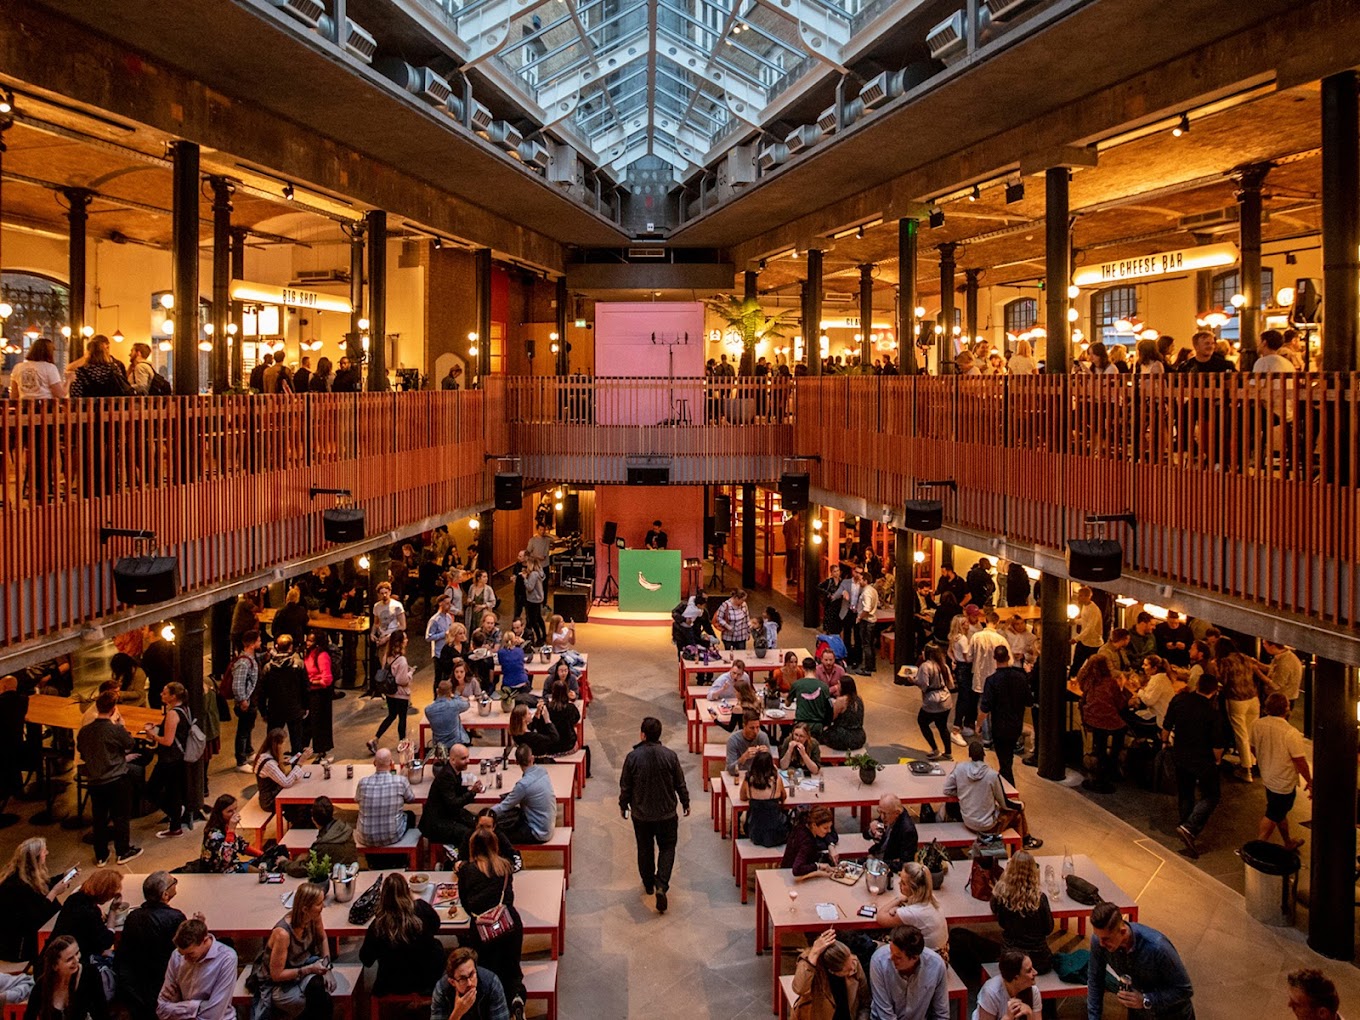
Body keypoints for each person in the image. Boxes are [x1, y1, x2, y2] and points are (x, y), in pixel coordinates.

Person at [618, 716, 690, 914]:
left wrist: (623, 805)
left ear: (642, 735)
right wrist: (685, 801)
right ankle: (662, 884)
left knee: (644, 847)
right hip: (666, 813)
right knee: (667, 847)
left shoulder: (632, 757)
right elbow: (680, 782)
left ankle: (648, 883)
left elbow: (625, 786)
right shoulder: (670, 756)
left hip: (641, 814)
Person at [457, 819, 525, 1011]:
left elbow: (465, 903)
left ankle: (493, 1007)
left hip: (482, 928)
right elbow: (509, 898)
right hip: (509, 921)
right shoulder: (505, 867)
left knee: (487, 969)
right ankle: (516, 997)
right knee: (512, 967)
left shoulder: (466, 871)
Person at [1087, 902, 1193, 1020]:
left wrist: (1146, 1000)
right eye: (1097, 936)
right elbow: (1095, 979)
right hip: (1139, 1014)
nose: (1101, 944)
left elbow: (1185, 990)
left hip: (1173, 1015)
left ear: (1123, 931)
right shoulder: (1099, 942)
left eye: (1106, 939)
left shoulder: (1158, 947)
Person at [1161, 673, 1226, 859]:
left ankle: (1184, 823)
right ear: (1214, 691)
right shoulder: (1213, 712)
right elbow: (1217, 744)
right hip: (1202, 759)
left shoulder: (1180, 700)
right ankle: (1190, 827)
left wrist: (1164, 742)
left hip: (1180, 754)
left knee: (1185, 791)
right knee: (1212, 795)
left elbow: (1167, 725)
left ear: (1197, 685)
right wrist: (1218, 760)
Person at [77, 689, 142, 866]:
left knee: (99, 819)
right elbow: (129, 744)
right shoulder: (115, 730)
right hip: (116, 778)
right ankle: (122, 851)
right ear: (113, 710)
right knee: (121, 816)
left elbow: (82, 751)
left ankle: (101, 855)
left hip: (95, 780)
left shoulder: (84, 732)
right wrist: (122, 726)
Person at [255, 883, 333, 1020]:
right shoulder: (282, 934)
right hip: (279, 983)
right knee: (313, 1001)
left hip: (302, 965)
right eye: (319, 904)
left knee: (321, 990)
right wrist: (309, 969)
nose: (323, 906)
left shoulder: (314, 916)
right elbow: (276, 975)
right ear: (305, 909)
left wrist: (328, 968)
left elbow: (322, 939)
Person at [943, 741, 1042, 849]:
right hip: (987, 827)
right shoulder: (992, 775)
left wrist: (963, 792)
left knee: (1015, 813)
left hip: (968, 822)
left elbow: (947, 790)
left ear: (970, 755)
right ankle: (1024, 842)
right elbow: (1004, 804)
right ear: (984, 755)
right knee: (1017, 813)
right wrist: (1021, 805)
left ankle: (1025, 841)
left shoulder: (959, 768)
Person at [358, 874, 444, 996]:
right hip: (425, 980)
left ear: (383, 896)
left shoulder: (378, 925)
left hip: (392, 983)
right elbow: (436, 926)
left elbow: (366, 960)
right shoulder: (422, 908)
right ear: (407, 891)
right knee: (437, 945)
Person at [116, 873, 186, 1020]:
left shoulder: (133, 916)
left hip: (134, 985)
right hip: (163, 983)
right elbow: (185, 949)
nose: (175, 883)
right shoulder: (175, 917)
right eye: (173, 882)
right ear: (165, 894)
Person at [1251, 692, 1312, 849]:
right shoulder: (1290, 733)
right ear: (1286, 709)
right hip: (1284, 781)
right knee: (1273, 814)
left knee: (1278, 811)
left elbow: (1253, 747)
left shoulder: (1257, 724)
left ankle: (1288, 842)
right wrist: (1310, 781)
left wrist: (1264, 760)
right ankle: (1257, 848)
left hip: (1267, 776)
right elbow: (1300, 761)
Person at [156, 917, 238, 1020]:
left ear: (205, 941)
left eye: (190, 954)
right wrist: (198, 1006)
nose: (185, 959)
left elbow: (214, 1014)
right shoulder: (177, 955)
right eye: (182, 954)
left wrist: (179, 1005)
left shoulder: (226, 958)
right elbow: (161, 1009)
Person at [986, 850, 1053, 973]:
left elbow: (994, 909)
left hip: (1012, 961)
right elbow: (1048, 928)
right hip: (1039, 961)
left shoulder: (1001, 895)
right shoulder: (1040, 898)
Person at [142, 682, 193, 839]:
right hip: (179, 758)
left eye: (165, 693)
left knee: (152, 790)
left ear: (173, 696)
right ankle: (175, 822)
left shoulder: (172, 714)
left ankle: (174, 815)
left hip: (170, 759)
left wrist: (152, 735)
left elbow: (168, 741)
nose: (161, 695)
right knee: (173, 791)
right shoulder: (184, 709)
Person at [868, 924, 949, 1020]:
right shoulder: (879, 961)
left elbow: (941, 1014)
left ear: (915, 957)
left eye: (898, 957)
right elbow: (885, 1015)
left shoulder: (936, 965)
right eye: (890, 951)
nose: (891, 958)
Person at [978, 646, 1031, 785]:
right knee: (1007, 759)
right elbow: (1029, 701)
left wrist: (978, 725)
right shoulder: (1021, 677)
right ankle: (1003, 785)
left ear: (994, 659)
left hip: (999, 727)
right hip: (1016, 725)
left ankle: (1008, 789)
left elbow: (985, 708)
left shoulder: (992, 680)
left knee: (1005, 762)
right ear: (1008, 657)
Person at [1216, 636, 1266, 781]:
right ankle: (1253, 762)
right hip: (1253, 698)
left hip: (1236, 699)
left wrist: (1215, 671)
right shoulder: (1244, 657)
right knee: (1251, 734)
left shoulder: (1225, 661)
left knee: (1241, 735)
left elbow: (1224, 681)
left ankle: (1246, 769)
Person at [1075, 655, 1127, 794]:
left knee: (1100, 739)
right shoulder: (1111, 683)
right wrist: (1121, 687)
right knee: (1122, 729)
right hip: (1106, 719)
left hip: (1090, 718)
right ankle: (1112, 763)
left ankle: (1100, 760)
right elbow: (1121, 703)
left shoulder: (1088, 681)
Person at [791, 928, 868, 1020]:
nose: (853, 969)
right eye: (847, 970)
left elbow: (865, 1003)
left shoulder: (853, 962)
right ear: (832, 972)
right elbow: (799, 989)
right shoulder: (812, 967)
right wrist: (814, 954)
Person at [421, 744, 483, 853]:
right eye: (464, 758)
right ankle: (461, 856)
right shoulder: (447, 775)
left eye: (468, 757)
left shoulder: (455, 771)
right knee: (469, 834)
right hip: (438, 823)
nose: (468, 761)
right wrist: (472, 792)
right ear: (453, 760)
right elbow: (453, 803)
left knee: (476, 822)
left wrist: (469, 789)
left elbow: (455, 791)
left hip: (447, 815)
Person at [25, 936, 103, 1020]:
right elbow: (29, 1016)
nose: (76, 960)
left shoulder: (90, 974)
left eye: (77, 953)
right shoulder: (42, 984)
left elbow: (102, 1013)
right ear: (55, 966)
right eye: (69, 959)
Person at [50, 868, 120, 961]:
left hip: (54, 954)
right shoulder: (90, 912)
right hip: (72, 960)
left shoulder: (74, 898)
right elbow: (106, 941)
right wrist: (113, 910)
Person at [491, 743, 554, 845]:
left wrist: (486, 814)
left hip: (537, 832)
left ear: (516, 762)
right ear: (532, 758)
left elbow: (504, 806)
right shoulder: (543, 771)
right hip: (548, 825)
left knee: (496, 835)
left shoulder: (523, 785)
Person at [877, 863, 948, 952]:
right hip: (942, 949)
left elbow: (880, 917)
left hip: (925, 956)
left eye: (903, 883)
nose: (899, 883)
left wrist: (898, 899)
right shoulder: (930, 898)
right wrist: (899, 908)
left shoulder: (914, 912)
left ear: (914, 889)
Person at [355, 747, 416, 847]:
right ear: (391, 763)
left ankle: (370, 856)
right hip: (393, 837)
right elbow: (411, 799)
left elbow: (357, 800)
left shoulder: (363, 783)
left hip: (365, 838)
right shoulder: (400, 781)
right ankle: (404, 853)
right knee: (411, 815)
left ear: (374, 763)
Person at [259, 635, 309, 753]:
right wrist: (306, 706)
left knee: (273, 742)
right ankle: (296, 763)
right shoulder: (299, 665)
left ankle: (273, 763)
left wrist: (263, 711)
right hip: (295, 709)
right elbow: (305, 687)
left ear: (277, 647)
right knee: (297, 742)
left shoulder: (268, 667)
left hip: (274, 710)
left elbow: (262, 691)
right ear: (291, 647)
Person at [430, 947, 511, 1020]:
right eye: (463, 978)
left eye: (472, 974)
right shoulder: (441, 989)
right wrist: (457, 1013)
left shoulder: (492, 983)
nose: (469, 983)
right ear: (452, 982)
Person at [284, 797, 359, 875]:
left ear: (313, 819)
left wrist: (284, 863)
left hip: (333, 877)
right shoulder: (346, 830)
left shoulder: (322, 845)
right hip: (351, 873)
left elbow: (303, 869)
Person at [368, 630, 413, 753]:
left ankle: (375, 738)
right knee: (402, 718)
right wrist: (410, 673)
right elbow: (402, 680)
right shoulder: (402, 660)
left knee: (391, 715)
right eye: (405, 639)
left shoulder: (387, 657)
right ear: (400, 642)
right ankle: (402, 743)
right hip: (401, 694)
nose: (407, 640)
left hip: (389, 693)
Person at [740, 748, 788, 846]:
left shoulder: (748, 780)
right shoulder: (776, 780)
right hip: (776, 833)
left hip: (755, 833)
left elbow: (742, 797)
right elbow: (784, 797)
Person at [975, 950, 1041, 1020]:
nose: (1035, 972)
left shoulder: (1033, 991)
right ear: (1015, 977)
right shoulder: (991, 992)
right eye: (1029, 971)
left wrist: (1029, 1014)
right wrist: (1008, 1017)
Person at [198, 794, 256, 873]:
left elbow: (240, 845)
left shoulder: (225, 824)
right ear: (220, 813)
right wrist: (231, 829)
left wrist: (262, 855)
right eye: (230, 811)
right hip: (219, 872)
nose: (235, 814)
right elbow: (226, 859)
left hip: (232, 864)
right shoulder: (214, 834)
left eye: (235, 809)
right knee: (258, 872)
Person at [229, 630, 262, 771]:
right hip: (246, 701)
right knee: (243, 731)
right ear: (252, 644)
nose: (261, 642)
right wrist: (243, 700)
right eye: (259, 641)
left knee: (248, 727)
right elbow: (237, 684)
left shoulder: (251, 658)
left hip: (252, 700)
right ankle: (241, 761)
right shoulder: (243, 663)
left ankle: (249, 751)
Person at [253, 728, 304, 817]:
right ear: (277, 745)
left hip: (273, 793)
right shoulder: (269, 764)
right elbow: (286, 783)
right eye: (283, 743)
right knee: (300, 801)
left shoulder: (264, 754)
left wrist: (282, 762)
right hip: (270, 801)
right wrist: (300, 763)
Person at [301, 631, 334, 764]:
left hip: (320, 694)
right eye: (307, 640)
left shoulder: (322, 656)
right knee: (307, 722)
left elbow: (327, 679)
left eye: (310, 641)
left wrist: (311, 681)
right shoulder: (309, 653)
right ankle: (302, 748)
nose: (307, 643)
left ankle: (321, 750)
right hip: (309, 692)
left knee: (319, 722)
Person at [782, 805, 841, 879]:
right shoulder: (807, 842)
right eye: (825, 828)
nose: (829, 831)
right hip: (790, 874)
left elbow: (833, 835)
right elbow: (797, 869)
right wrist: (818, 866)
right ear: (814, 825)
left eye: (830, 827)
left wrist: (830, 846)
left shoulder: (805, 823)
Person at [864, 794, 918, 872]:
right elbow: (865, 835)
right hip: (875, 856)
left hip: (888, 867)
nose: (882, 817)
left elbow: (905, 864)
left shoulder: (908, 831)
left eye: (885, 814)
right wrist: (871, 830)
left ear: (897, 813)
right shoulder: (888, 813)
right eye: (880, 812)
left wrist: (878, 863)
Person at [821, 674, 866, 751]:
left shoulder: (842, 700)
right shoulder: (859, 699)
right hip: (859, 737)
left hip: (843, 737)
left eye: (838, 684)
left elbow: (831, 718)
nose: (837, 687)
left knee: (821, 733)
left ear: (844, 687)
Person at [790, 658, 834, 735]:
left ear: (803, 669)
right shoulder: (824, 686)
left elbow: (787, 703)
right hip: (818, 726)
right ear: (815, 669)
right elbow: (829, 708)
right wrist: (827, 725)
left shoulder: (797, 684)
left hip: (801, 726)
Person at [426, 680, 471, 751]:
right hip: (456, 744)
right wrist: (455, 696)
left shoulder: (428, 710)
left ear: (437, 691)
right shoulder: (454, 705)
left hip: (439, 746)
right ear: (450, 693)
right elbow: (467, 704)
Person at [1070, 587, 1103, 678]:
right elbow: (1085, 621)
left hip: (1093, 645)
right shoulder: (1085, 606)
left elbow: (1090, 628)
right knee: (1076, 666)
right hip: (1085, 641)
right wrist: (1075, 621)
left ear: (1088, 597)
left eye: (1080, 596)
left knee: (1093, 670)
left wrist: (1076, 639)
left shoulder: (1094, 610)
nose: (1078, 598)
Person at [543, 680, 580, 755]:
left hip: (550, 747)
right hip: (568, 746)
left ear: (553, 692)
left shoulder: (546, 708)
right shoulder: (571, 707)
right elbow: (576, 719)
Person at [854, 574, 880, 676]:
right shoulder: (873, 590)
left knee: (866, 645)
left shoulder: (866, 592)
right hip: (872, 620)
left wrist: (859, 617)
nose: (859, 581)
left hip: (867, 621)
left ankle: (868, 668)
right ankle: (872, 666)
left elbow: (867, 608)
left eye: (861, 579)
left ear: (865, 581)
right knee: (871, 644)